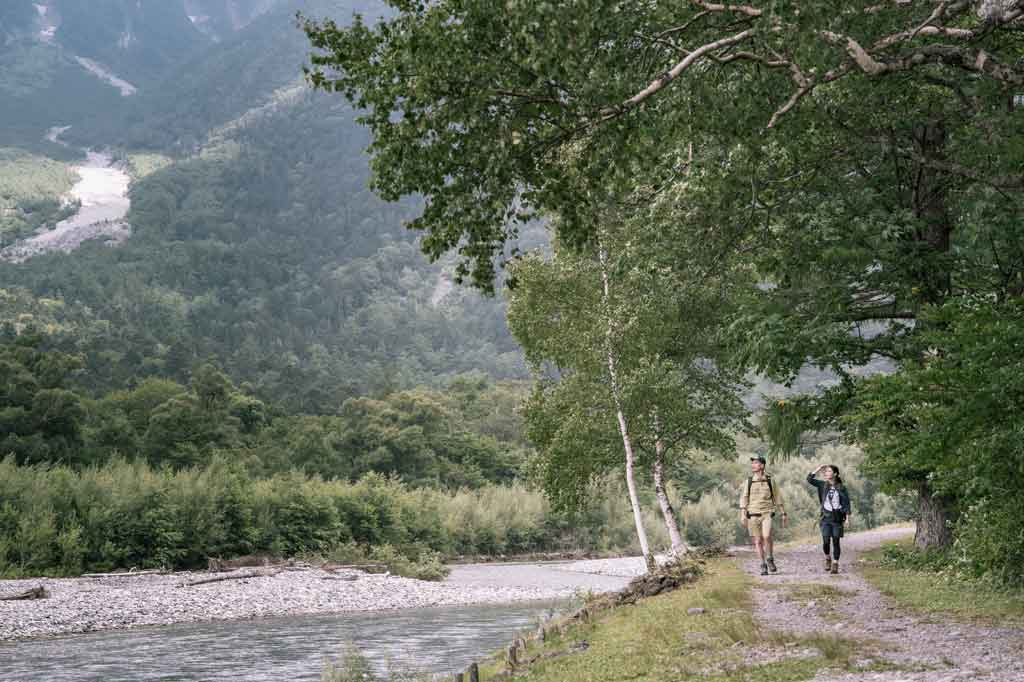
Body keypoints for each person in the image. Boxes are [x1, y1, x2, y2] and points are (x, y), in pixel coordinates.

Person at [739, 455, 787, 575]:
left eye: (755, 463)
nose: (753, 465)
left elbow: (777, 497)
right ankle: (763, 564)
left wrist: (783, 513)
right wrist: (743, 515)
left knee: (766, 536)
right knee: (758, 540)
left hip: (767, 513)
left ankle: (770, 558)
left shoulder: (770, 480)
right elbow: (744, 498)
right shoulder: (749, 481)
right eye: (752, 463)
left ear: (762, 465)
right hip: (753, 514)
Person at [807, 464, 852, 574]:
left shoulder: (841, 487)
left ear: (835, 474)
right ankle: (828, 558)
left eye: (829, 471)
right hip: (825, 518)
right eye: (825, 471)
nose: (826, 473)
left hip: (837, 518)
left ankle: (835, 563)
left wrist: (847, 518)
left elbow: (846, 503)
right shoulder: (822, 485)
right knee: (826, 541)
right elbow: (809, 479)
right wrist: (818, 468)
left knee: (836, 541)